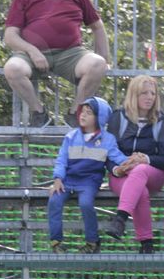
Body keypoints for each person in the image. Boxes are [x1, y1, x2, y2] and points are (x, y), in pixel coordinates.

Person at [3, 0, 109, 127]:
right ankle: (39, 114)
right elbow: (10, 36)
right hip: (32, 54)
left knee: (98, 64)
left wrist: (105, 59)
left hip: (71, 53)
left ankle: (75, 115)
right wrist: (32, 51)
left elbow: (97, 27)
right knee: (12, 68)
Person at [103, 75, 164, 254]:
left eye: (153, 93)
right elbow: (107, 152)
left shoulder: (161, 121)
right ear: (134, 94)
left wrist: (146, 160)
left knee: (140, 170)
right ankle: (146, 244)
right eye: (144, 93)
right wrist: (116, 169)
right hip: (122, 174)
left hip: (153, 174)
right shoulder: (118, 118)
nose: (150, 97)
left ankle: (120, 219)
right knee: (139, 189)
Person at [48, 96, 127, 254]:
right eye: (82, 112)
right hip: (68, 180)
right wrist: (58, 178)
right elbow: (62, 160)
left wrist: (132, 162)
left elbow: (118, 158)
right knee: (54, 201)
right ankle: (56, 241)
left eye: (89, 113)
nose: (83, 115)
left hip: (89, 182)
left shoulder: (107, 139)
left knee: (85, 204)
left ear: (100, 117)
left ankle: (92, 241)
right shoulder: (71, 137)